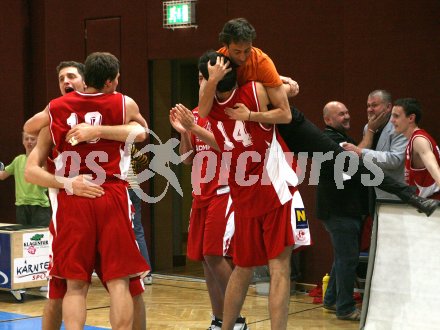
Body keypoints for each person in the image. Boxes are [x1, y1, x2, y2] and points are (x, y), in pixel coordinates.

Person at [201, 17, 437, 217]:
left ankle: (412, 198)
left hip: (280, 123)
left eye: (247, 50)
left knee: (343, 161)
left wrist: (252, 112)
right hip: (253, 133)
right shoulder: (217, 63)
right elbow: (202, 110)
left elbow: (283, 114)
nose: (242, 57)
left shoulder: (261, 61)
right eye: (237, 52)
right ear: (226, 47)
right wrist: (212, 80)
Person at [25, 52, 149, 330]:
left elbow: (27, 127)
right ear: (110, 81)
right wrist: (103, 131)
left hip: (74, 196)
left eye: (71, 76)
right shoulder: (122, 102)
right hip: (110, 193)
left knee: (75, 285)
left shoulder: (56, 108)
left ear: (84, 78)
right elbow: (143, 132)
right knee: (120, 281)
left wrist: (88, 128)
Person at [199, 51, 311, 330]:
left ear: (207, 80)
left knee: (242, 267)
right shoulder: (256, 90)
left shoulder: (210, 108)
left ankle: (227, 328)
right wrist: (283, 82)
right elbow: (286, 101)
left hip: (244, 193)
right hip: (275, 191)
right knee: (279, 268)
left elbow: (202, 107)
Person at [170, 98, 247, 329]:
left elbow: (229, 147)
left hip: (225, 190)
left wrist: (193, 128)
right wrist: (184, 133)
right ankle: (219, 319)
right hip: (201, 193)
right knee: (206, 259)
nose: (203, 83)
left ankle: (238, 320)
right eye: (201, 79)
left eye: (207, 79)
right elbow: (186, 159)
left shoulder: (231, 112)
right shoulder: (193, 114)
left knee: (214, 254)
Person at [317, 101, 368, 321]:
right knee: (348, 259)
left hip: (341, 210)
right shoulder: (332, 140)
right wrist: (372, 133)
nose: (347, 116)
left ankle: (330, 300)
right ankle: (345, 308)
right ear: (328, 120)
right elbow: (354, 164)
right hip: (340, 211)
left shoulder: (341, 139)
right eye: (340, 114)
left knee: (343, 257)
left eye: (347, 112)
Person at [343, 90, 407, 202]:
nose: (369, 109)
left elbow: (395, 160)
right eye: (368, 106)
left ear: (388, 107)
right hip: (372, 189)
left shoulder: (399, 128)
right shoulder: (368, 127)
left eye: (374, 105)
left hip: (395, 193)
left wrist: (360, 151)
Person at [390, 98, 440, 199]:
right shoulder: (414, 140)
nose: (392, 120)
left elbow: (433, 168)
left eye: (396, 116)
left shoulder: (419, 140)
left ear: (411, 118)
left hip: (434, 204)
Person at [0, 132, 50, 226]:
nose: (29, 141)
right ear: (23, 142)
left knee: (40, 239)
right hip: (21, 206)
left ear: (38, 141)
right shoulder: (18, 160)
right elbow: (2, 175)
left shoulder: (44, 160)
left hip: (39, 206)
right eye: (26, 139)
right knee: (23, 238)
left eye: (32, 139)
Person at [127, 143, 153, 285]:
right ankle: (147, 273)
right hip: (135, 188)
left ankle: (127, 272)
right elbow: (143, 160)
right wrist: (133, 169)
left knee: (120, 232)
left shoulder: (116, 144)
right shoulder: (129, 144)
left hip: (123, 189)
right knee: (137, 230)